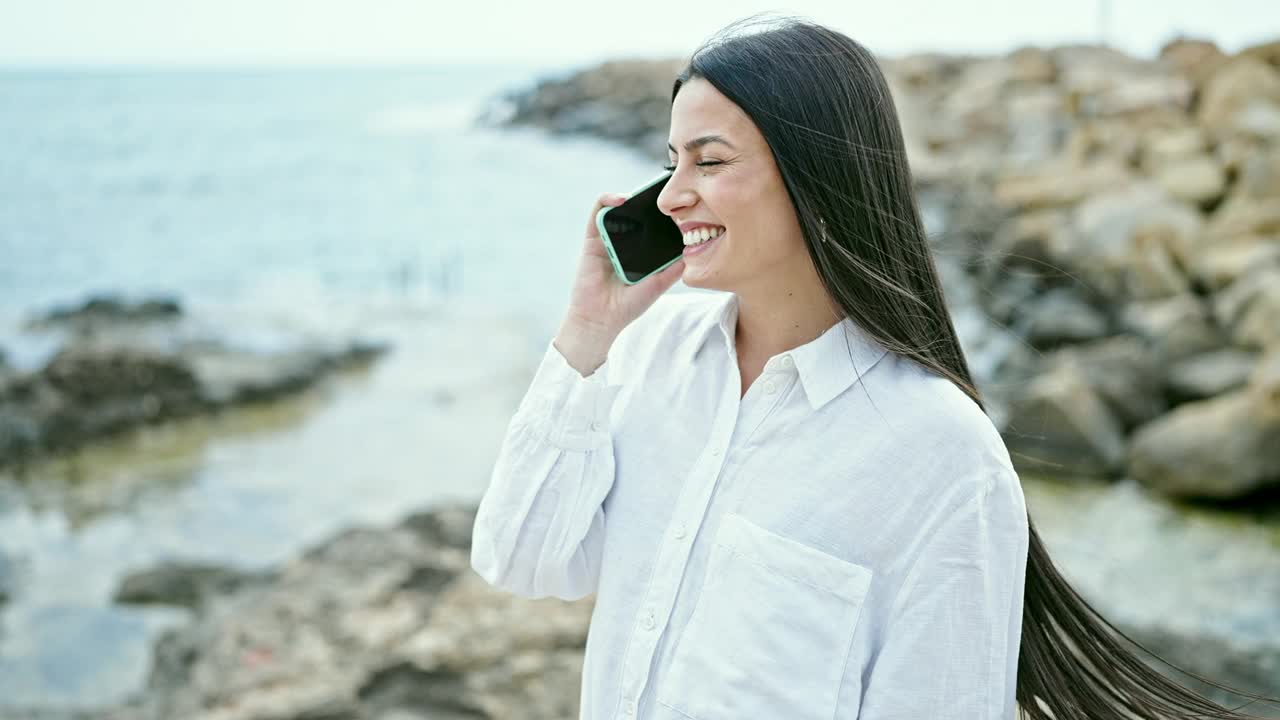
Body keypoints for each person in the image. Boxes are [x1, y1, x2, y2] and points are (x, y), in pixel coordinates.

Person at [471, 13, 1279, 720]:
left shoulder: (939, 454)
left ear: (814, 174)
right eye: (672, 160)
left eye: (709, 162)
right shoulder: (651, 356)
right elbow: (525, 558)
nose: (672, 195)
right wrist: (586, 332)